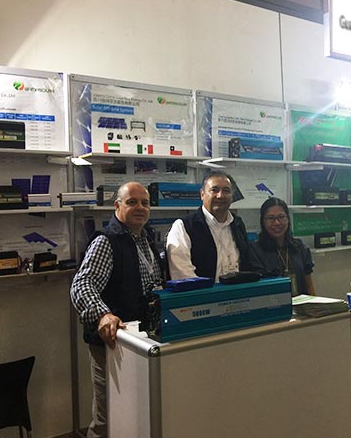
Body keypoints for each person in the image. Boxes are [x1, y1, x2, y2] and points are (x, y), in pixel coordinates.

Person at [70, 181, 166, 438]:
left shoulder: (146, 239)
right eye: (132, 202)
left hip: (144, 342)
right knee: (108, 419)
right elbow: (82, 284)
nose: (140, 208)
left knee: (138, 414)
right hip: (114, 344)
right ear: (117, 206)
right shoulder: (107, 241)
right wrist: (103, 314)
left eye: (145, 203)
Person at [166, 170, 249, 281]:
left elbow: (246, 265)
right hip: (201, 292)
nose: (220, 196)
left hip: (238, 291)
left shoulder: (237, 224)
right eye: (214, 190)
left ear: (232, 196)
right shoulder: (183, 226)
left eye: (226, 191)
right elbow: (183, 275)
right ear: (202, 194)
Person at [248, 197, 316, 296]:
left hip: (302, 303)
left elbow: (309, 284)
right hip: (273, 304)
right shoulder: (255, 250)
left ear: (288, 219)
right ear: (263, 221)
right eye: (270, 218)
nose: (277, 223)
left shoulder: (299, 246)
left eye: (281, 217)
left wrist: (314, 303)